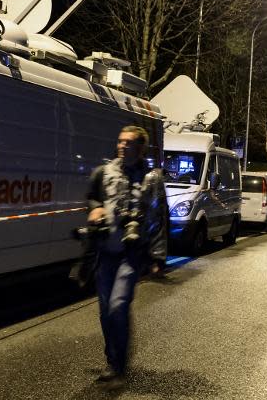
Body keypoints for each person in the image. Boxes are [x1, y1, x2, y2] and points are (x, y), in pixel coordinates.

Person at [86, 125, 167, 388]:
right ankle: (112, 360)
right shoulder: (104, 173)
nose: (122, 146)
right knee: (104, 312)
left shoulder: (152, 179)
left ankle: (119, 367)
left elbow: (159, 218)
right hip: (105, 252)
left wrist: (157, 257)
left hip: (131, 254)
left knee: (118, 306)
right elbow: (92, 198)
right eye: (120, 141)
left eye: (128, 142)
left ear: (140, 148)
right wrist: (96, 209)